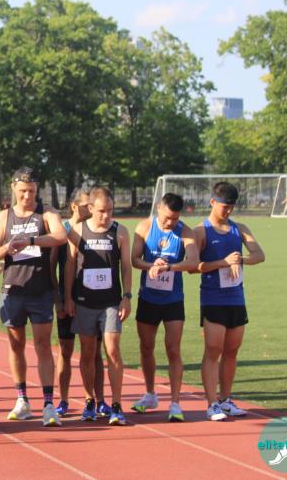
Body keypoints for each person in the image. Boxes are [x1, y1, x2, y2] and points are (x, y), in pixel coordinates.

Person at [0, 167, 67, 426]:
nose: (27, 196)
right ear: (13, 188)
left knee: (43, 346)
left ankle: (48, 403)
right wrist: (7, 248)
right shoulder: (4, 217)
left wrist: (31, 241)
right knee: (16, 345)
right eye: (23, 191)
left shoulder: (46, 213)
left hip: (41, 291)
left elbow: (60, 236)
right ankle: (22, 399)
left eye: (32, 191)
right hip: (12, 289)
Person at [193, 181, 265, 421]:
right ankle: (211, 403)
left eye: (232, 207)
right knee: (213, 350)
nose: (228, 211)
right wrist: (223, 263)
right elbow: (193, 266)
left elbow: (259, 255)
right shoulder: (201, 231)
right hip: (213, 299)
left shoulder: (239, 229)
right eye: (225, 206)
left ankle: (225, 399)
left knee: (232, 350)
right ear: (212, 202)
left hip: (236, 298)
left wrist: (240, 260)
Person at [64, 186, 132, 426]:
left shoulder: (120, 231)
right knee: (87, 351)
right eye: (102, 211)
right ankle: (89, 400)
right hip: (84, 301)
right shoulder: (77, 231)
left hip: (111, 302)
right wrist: (68, 297)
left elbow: (126, 267)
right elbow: (70, 265)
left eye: (110, 210)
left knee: (112, 350)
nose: (106, 215)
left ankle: (116, 404)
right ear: (91, 208)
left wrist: (127, 296)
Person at [129, 193, 200, 422]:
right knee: (146, 347)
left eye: (175, 218)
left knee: (173, 349)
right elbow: (134, 259)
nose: (170, 222)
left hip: (173, 300)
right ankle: (150, 394)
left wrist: (169, 267)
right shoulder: (145, 227)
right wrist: (152, 265)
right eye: (167, 217)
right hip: (148, 298)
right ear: (159, 208)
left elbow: (193, 261)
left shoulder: (185, 232)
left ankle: (175, 402)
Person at [52, 188, 109, 417]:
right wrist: (59, 300)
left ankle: (98, 399)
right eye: (87, 205)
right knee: (65, 350)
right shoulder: (62, 231)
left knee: (95, 352)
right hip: (67, 300)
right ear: (74, 206)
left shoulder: (96, 230)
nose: (91, 208)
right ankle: (63, 400)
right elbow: (52, 268)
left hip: (92, 300)